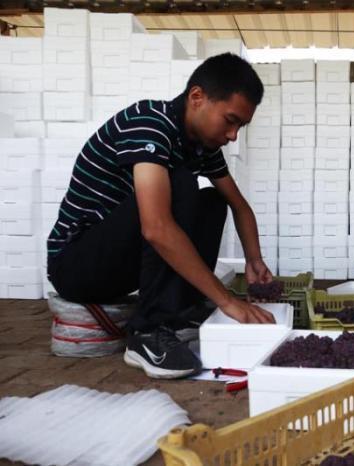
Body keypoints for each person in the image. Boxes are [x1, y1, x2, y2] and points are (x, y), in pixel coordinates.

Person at [46, 53, 275, 380]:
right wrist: (226, 301)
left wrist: (254, 259)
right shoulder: (149, 123)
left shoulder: (201, 146)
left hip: (121, 260)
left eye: (240, 126)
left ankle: (181, 314)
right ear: (197, 98)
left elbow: (239, 205)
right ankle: (147, 332)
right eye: (230, 120)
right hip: (76, 265)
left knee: (212, 200)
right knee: (179, 181)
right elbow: (155, 228)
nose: (233, 135)